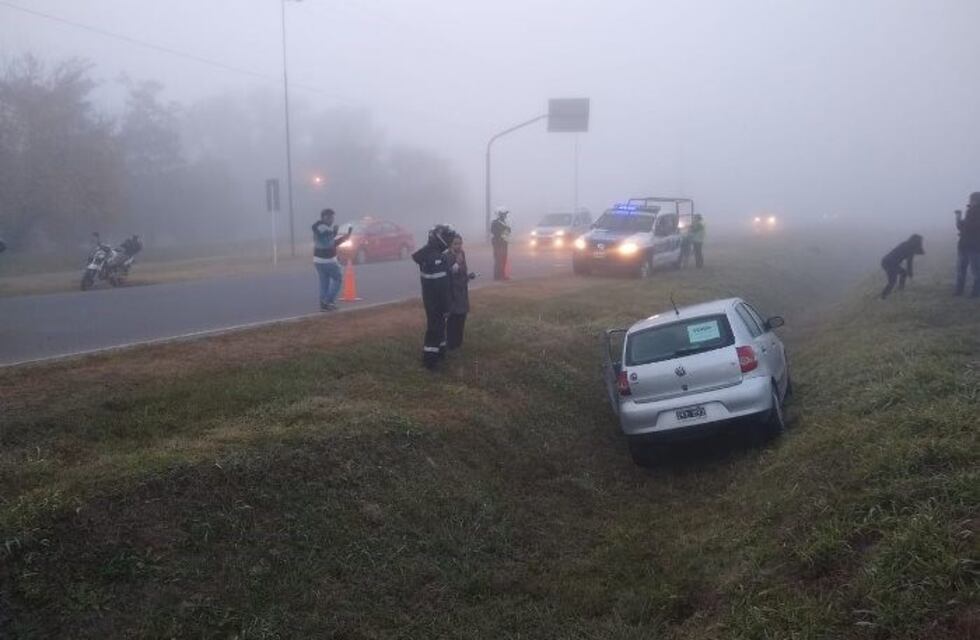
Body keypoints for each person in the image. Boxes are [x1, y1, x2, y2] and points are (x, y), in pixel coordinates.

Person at [412, 224, 454, 369]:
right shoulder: (438, 259)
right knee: (435, 329)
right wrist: (447, 306)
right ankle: (430, 361)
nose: (449, 242)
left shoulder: (427, 255)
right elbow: (442, 287)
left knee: (439, 327)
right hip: (437, 301)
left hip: (429, 299)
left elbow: (417, 256)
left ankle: (440, 352)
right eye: (448, 238)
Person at [312, 209, 352, 311]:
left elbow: (331, 242)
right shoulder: (324, 228)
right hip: (327, 260)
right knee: (338, 279)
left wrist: (343, 238)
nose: (331, 220)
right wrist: (335, 233)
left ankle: (323, 304)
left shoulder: (320, 227)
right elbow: (330, 244)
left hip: (318, 260)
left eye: (332, 217)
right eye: (329, 217)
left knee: (324, 282)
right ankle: (328, 301)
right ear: (323, 217)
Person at [447, 234, 477, 350]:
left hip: (462, 291)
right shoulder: (447, 256)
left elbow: (463, 272)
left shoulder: (462, 254)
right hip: (453, 293)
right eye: (455, 243)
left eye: (460, 243)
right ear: (450, 244)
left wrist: (468, 276)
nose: (458, 246)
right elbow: (449, 274)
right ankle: (451, 344)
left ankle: (458, 344)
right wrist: (457, 264)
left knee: (461, 318)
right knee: (453, 319)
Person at [880, 234, 925, 299]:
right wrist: (910, 273)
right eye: (919, 241)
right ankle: (883, 296)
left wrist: (909, 272)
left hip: (887, 262)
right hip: (889, 263)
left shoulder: (906, 244)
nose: (920, 243)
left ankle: (900, 290)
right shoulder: (909, 248)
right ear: (915, 242)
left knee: (903, 274)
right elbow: (909, 262)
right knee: (892, 281)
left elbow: (919, 250)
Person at [954, 193, 980, 297]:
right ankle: (958, 291)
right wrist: (958, 218)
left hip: (975, 246)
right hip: (964, 245)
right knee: (960, 269)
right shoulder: (969, 212)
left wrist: (963, 224)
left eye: (972, 200)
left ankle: (976, 292)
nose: (970, 201)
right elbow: (961, 227)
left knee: (976, 271)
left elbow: (973, 227)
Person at [490, 206, 512, 281]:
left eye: (505, 214)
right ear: (499, 214)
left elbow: (508, 231)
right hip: (498, 243)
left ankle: (502, 275)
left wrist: (506, 232)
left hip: (504, 243)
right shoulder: (495, 223)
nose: (505, 215)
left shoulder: (504, 223)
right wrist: (505, 232)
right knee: (499, 260)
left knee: (503, 259)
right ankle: (497, 276)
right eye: (504, 214)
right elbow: (495, 232)